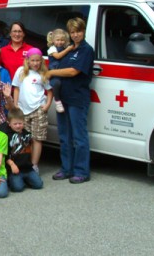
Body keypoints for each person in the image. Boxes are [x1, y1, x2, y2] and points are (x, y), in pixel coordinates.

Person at [45, 17, 94, 184]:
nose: (75, 35)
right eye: (72, 32)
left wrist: (51, 74)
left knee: (79, 137)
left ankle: (81, 171)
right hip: (63, 99)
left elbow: (73, 72)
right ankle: (66, 169)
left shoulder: (86, 50)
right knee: (64, 136)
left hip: (77, 98)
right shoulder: (69, 48)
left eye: (78, 31)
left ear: (84, 31)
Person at [12, 47, 53, 172]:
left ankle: (34, 165)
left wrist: (47, 106)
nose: (35, 63)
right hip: (23, 110)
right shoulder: (21, 71)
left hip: (38, 109)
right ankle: (25, 162)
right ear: (28, 61)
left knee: (37, 138)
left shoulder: (42, 75)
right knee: (25, 138)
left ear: (41, 61)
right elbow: (17, 89)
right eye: (33, 60)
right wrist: (15, 105)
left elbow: (50, 91)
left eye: (38, 61)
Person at [0, 108, 44, 192]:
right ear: (9, 124)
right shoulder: (6, 137)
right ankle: (12, 179)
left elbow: (30, 148)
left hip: (27, 168)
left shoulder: (27, 134)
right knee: (18, 188)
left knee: (39, 185)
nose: (18, 126)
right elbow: (4, 155)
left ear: (23, 122)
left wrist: (32, 164)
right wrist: (12, 165)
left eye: (20, 123)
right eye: (15, 124)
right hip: (14, 169)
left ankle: (25, 178)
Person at [47, 28, 73, 113]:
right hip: (54, 73)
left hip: (63, 72)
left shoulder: (64, 48)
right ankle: (57, 102)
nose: (60, 42)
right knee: (56, 83)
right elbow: (58, 56)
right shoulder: (52, 49)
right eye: (57, 40)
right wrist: (68, 49)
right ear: (53, 40)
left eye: (62, 40)